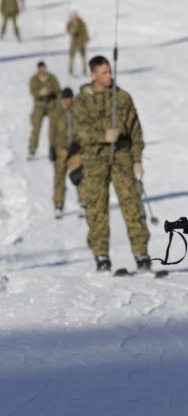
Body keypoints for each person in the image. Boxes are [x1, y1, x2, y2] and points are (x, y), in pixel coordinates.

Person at [72, 55, 151, 272]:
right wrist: (102, 135)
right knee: (97, 208)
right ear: (93, 75)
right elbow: (78, 131)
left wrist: (137, 160)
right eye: (103, 73)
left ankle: (141, 254)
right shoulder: (82, 101)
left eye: (110, 72)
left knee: (132, 204)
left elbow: (136, 130)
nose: (109, 76)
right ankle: (101, 256)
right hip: (95, 160)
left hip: (122, 158)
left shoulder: (122, 98)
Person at [51, 87, 87, 219]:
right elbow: (52, 132)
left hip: (75, 150)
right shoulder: (57, 114)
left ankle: (83, 203)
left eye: (69, 99)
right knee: (59, 177)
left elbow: (83, 130)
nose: (67, 101)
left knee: (79, 176)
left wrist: (77, 144)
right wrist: (51, 147)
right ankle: (58, 205)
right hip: (61, 150)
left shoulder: (78, 113)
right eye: (65, 99)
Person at [27, 61, 61, 160]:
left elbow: (58, 91)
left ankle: (52, 149)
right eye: (40, 69)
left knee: (53, 129)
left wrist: (57, 103)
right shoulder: (34, 79)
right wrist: (40, 93)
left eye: (43, 69)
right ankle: (32, 149)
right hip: (39, 105)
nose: (42, 71)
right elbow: (33, 92)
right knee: (36, 128)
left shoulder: (51, 78)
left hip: (51, 104)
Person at [66, 11, 89, 76]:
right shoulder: (70, 22)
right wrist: (72, 30)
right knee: (72, 56)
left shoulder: (81, 22)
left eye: (76, 15)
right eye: (74, 16)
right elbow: (68, 29)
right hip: (73, 42)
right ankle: (70, 69)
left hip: (81, 41)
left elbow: (85, 31)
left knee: (83, 56)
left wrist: (85, 39)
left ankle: (84, 69)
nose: (75, 17)